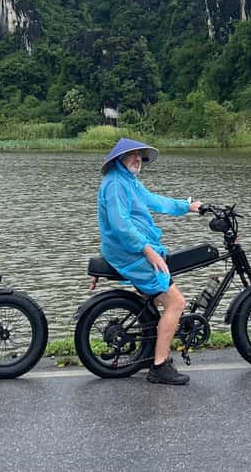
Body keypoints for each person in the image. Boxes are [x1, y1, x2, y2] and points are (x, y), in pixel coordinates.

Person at [97, 137, 201, 385]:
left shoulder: (128, 181)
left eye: (140, 156)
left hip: (133, 248)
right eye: (133, 155)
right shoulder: (115, 185)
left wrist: (187, 207)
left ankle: (149, 352)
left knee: (157, 303)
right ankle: (159, 366)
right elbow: (119, 225)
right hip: (130, 252)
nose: (137, 159)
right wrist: (147, 251)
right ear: (119, 158)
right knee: (176, 303)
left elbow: (154, 201)